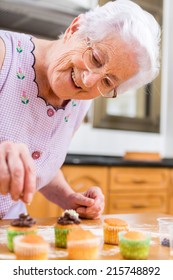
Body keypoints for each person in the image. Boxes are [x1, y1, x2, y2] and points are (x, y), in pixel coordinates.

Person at [0, 0, 161, 219]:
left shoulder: (81, 101)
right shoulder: (4, 56)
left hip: (10, 229)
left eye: (107, 83)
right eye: (95, 58)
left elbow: (44, 162)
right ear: (74, 29)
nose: (88, 80)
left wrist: (68, 197)